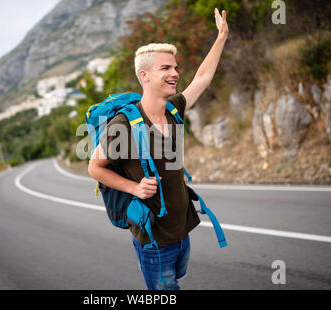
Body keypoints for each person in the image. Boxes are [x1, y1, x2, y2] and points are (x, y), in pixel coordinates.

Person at [88, 8, 228, 290]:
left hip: (181, 228)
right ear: (145, 75)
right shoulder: (123, 124)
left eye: (175, 67)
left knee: (175, 283)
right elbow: (94, 167)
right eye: (165, 68)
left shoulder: (173, 108)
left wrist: (222, 36)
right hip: (153, 237)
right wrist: (134, 188)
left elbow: (202, 78)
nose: (175, 73)